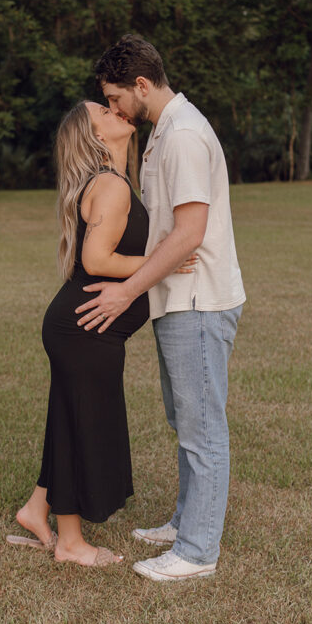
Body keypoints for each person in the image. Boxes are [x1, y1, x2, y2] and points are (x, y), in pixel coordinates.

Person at [75, 35, 246, 582]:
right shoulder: (163, 133)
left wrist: (126, 291)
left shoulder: (185, 136)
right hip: (177, 301)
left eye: (115, 97)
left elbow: (189, 233)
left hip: (198, 303)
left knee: (202, 428)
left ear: (141, 86)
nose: (114, 108)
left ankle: (197, 552)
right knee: (184, 419)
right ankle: (184, 521)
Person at [7, 99, 196, 568]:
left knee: (68, 417)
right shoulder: (110, 185)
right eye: (105, 114)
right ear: (94, 138)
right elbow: (96, 261)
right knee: (80, 425)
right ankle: (70, 544)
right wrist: (165, 263)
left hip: (82, 327)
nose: (118, 113)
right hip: (85, 330)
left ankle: (37, 509)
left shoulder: (113, 182)